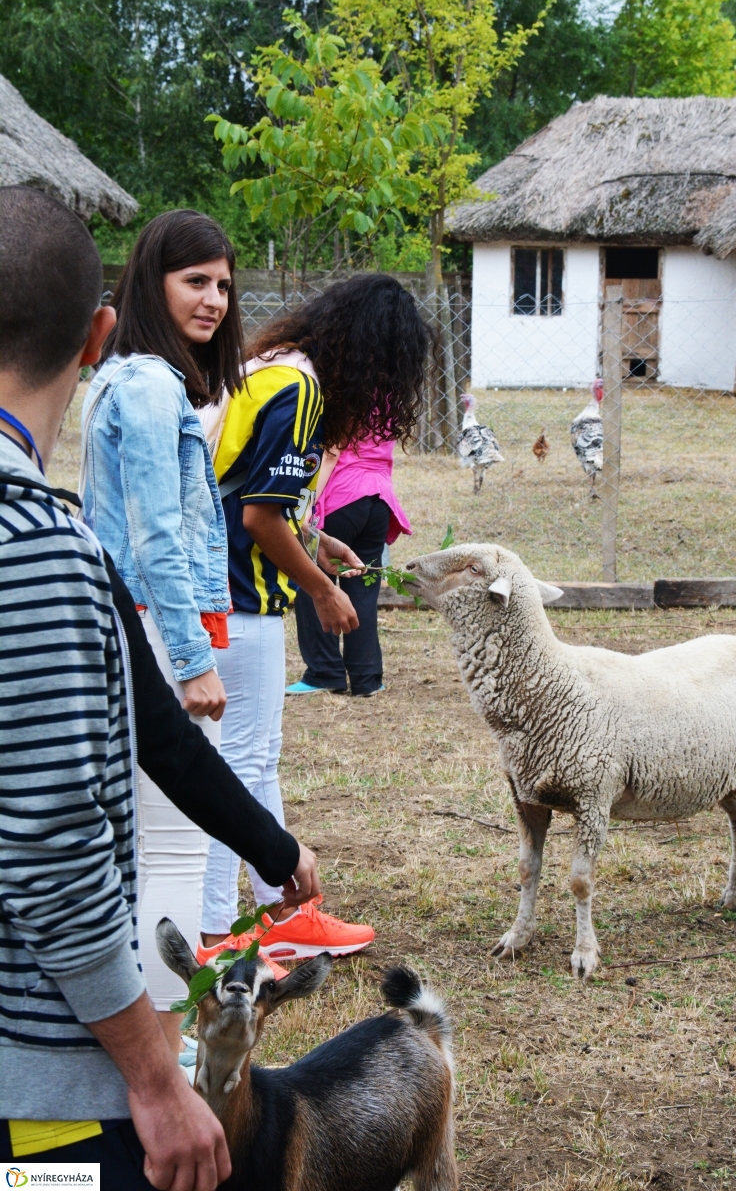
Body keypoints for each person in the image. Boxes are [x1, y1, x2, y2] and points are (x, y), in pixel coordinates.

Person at [0, 187, 318, 1184]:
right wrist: (150, 1077)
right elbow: (51, 855)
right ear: (98, 333)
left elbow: (153, 732)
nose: (216, 300)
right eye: (198, 279)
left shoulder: (64, 554)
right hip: (33, 1101)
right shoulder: (41, 558)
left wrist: (271, 846)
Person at [200, 274, 428, 959]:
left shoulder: (267, 370)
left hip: (220, 596)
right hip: (240, 601)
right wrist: (323, 588)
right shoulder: (302, 391)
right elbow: (257, 516)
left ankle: (278, 912)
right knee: (238, 768)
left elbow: (247, 489)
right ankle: (219, 931)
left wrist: (314, 536)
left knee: (246, 762)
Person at [80, 209, 245, 1057]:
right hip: (150, 627)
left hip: (137, 622)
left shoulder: (129, 381)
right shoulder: (148, 388)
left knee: (144, 846)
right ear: (152, 283)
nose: (214, 299)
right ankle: (171, 1045)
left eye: (222, 284)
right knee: (177, 847)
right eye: (194, 282)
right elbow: (154, 538)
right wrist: (190, 659)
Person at [287, 430, 412, 697]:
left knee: (312, 579)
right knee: (363, 588)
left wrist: (306, 503)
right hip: (378, 497)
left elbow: (332, 450)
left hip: (340, 496)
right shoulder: (391, 390)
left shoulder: (348, 390)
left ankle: (324, 671)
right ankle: (366, 677)